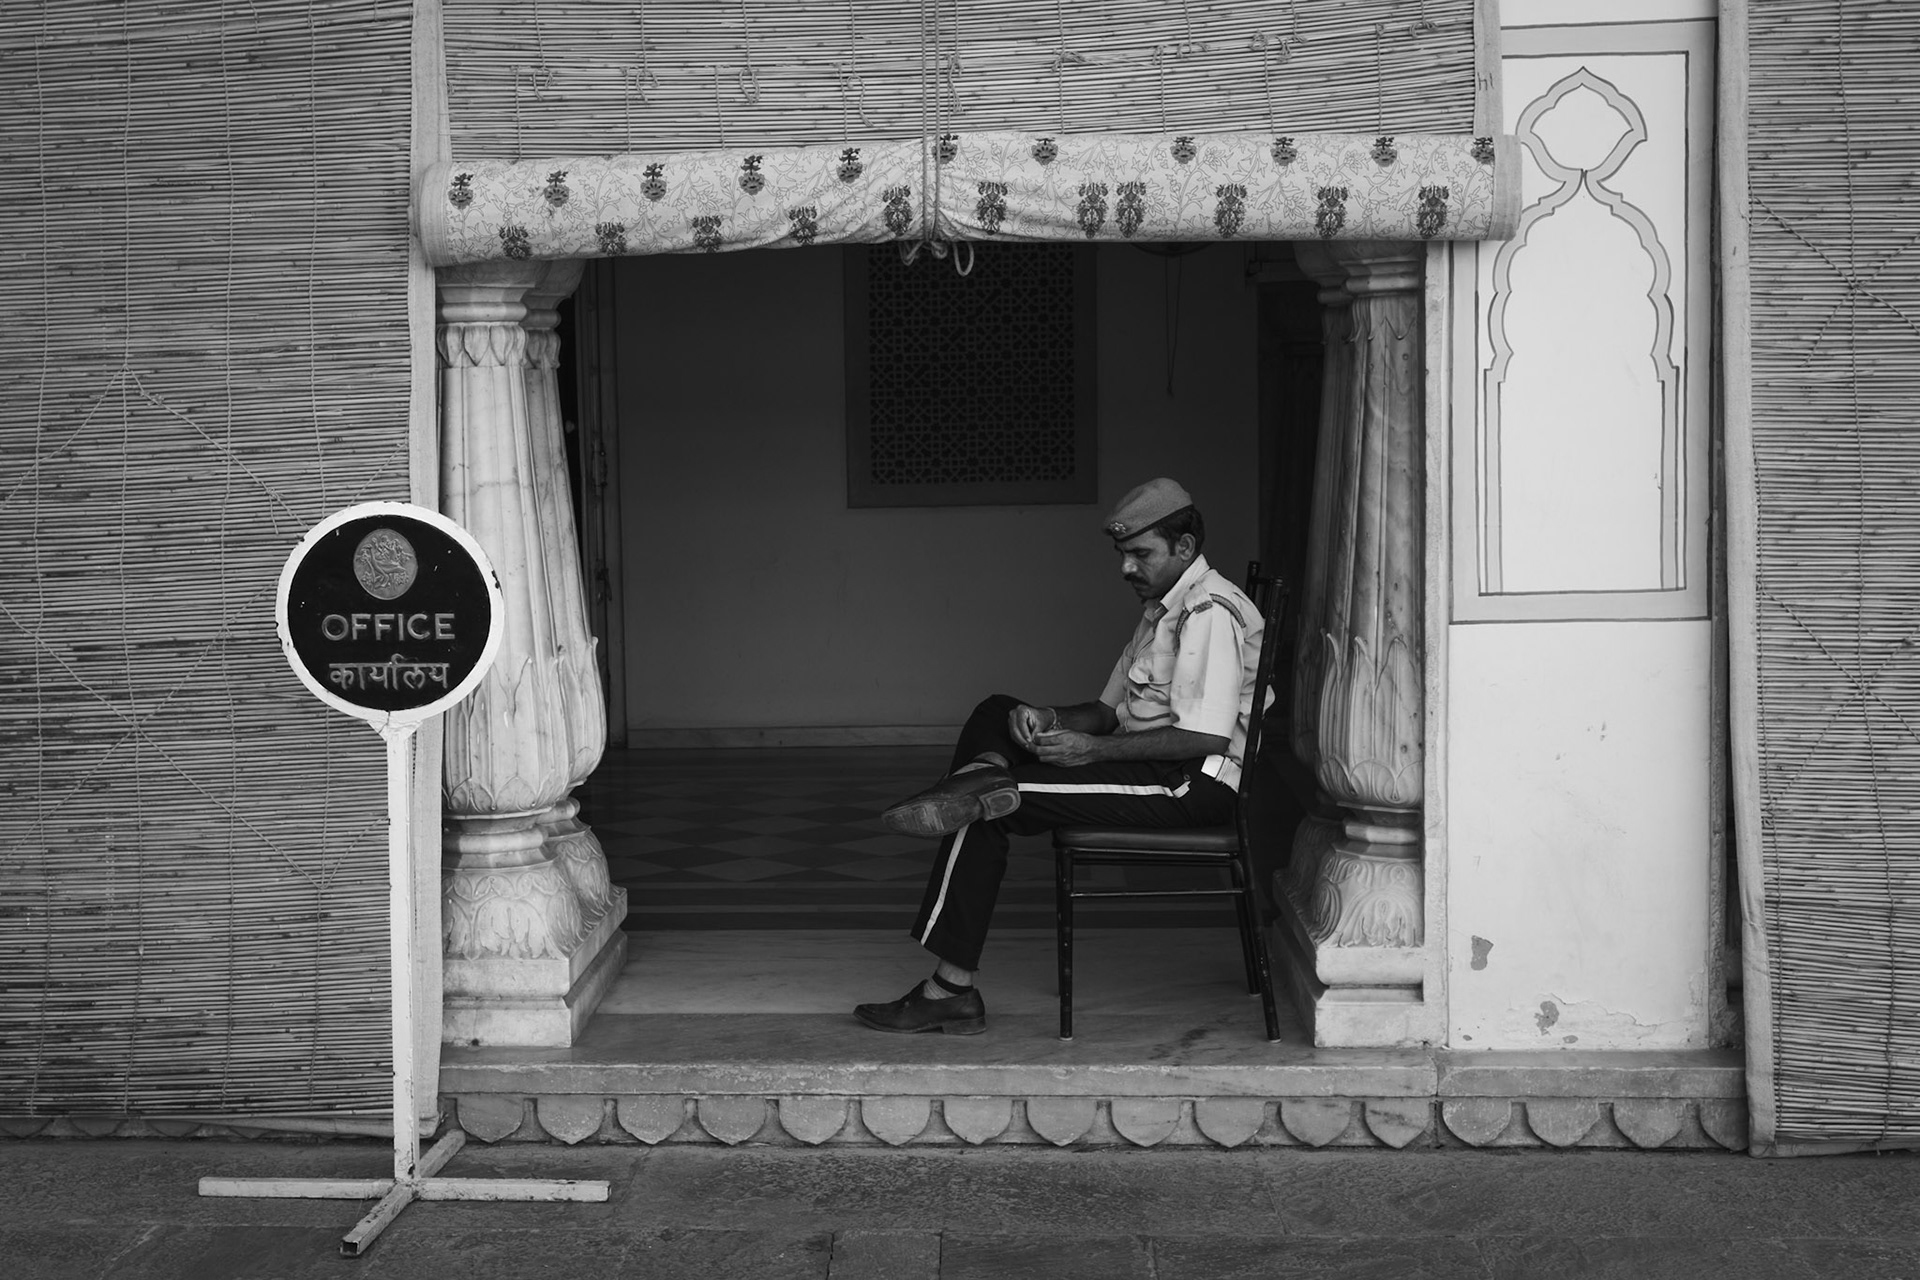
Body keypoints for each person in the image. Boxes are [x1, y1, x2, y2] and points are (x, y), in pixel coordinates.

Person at [855, 478, 1264, 1035]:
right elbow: (1106, 710)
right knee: (997, 711)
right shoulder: (1162, 610)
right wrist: (1047, 717)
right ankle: (979, 777)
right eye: (1122, 554)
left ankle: (949, 990)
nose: (1126, 567)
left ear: (1185, 547)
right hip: (1152, 765)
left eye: (1140, 554)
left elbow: (1205, 738)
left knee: (987, 807)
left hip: (1189, 784)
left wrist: (1091, 751)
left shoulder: (1208, 612)